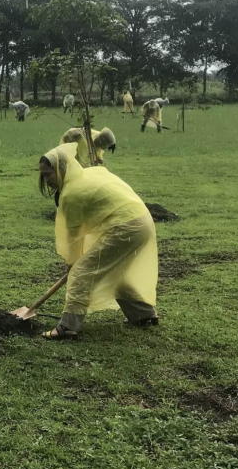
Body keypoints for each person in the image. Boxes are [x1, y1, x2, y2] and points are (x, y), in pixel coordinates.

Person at [37, 143, 159, 339]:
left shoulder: (71, 194)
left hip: (125, 226)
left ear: (61, 169)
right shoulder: (88, 173)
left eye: (48, 174)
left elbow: (73, 237)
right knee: (115, 271)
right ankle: (143, 315)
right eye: (42, 175)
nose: (46, 180)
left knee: (82, 272)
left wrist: (72, 264)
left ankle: (67, 327)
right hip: (141, 222)